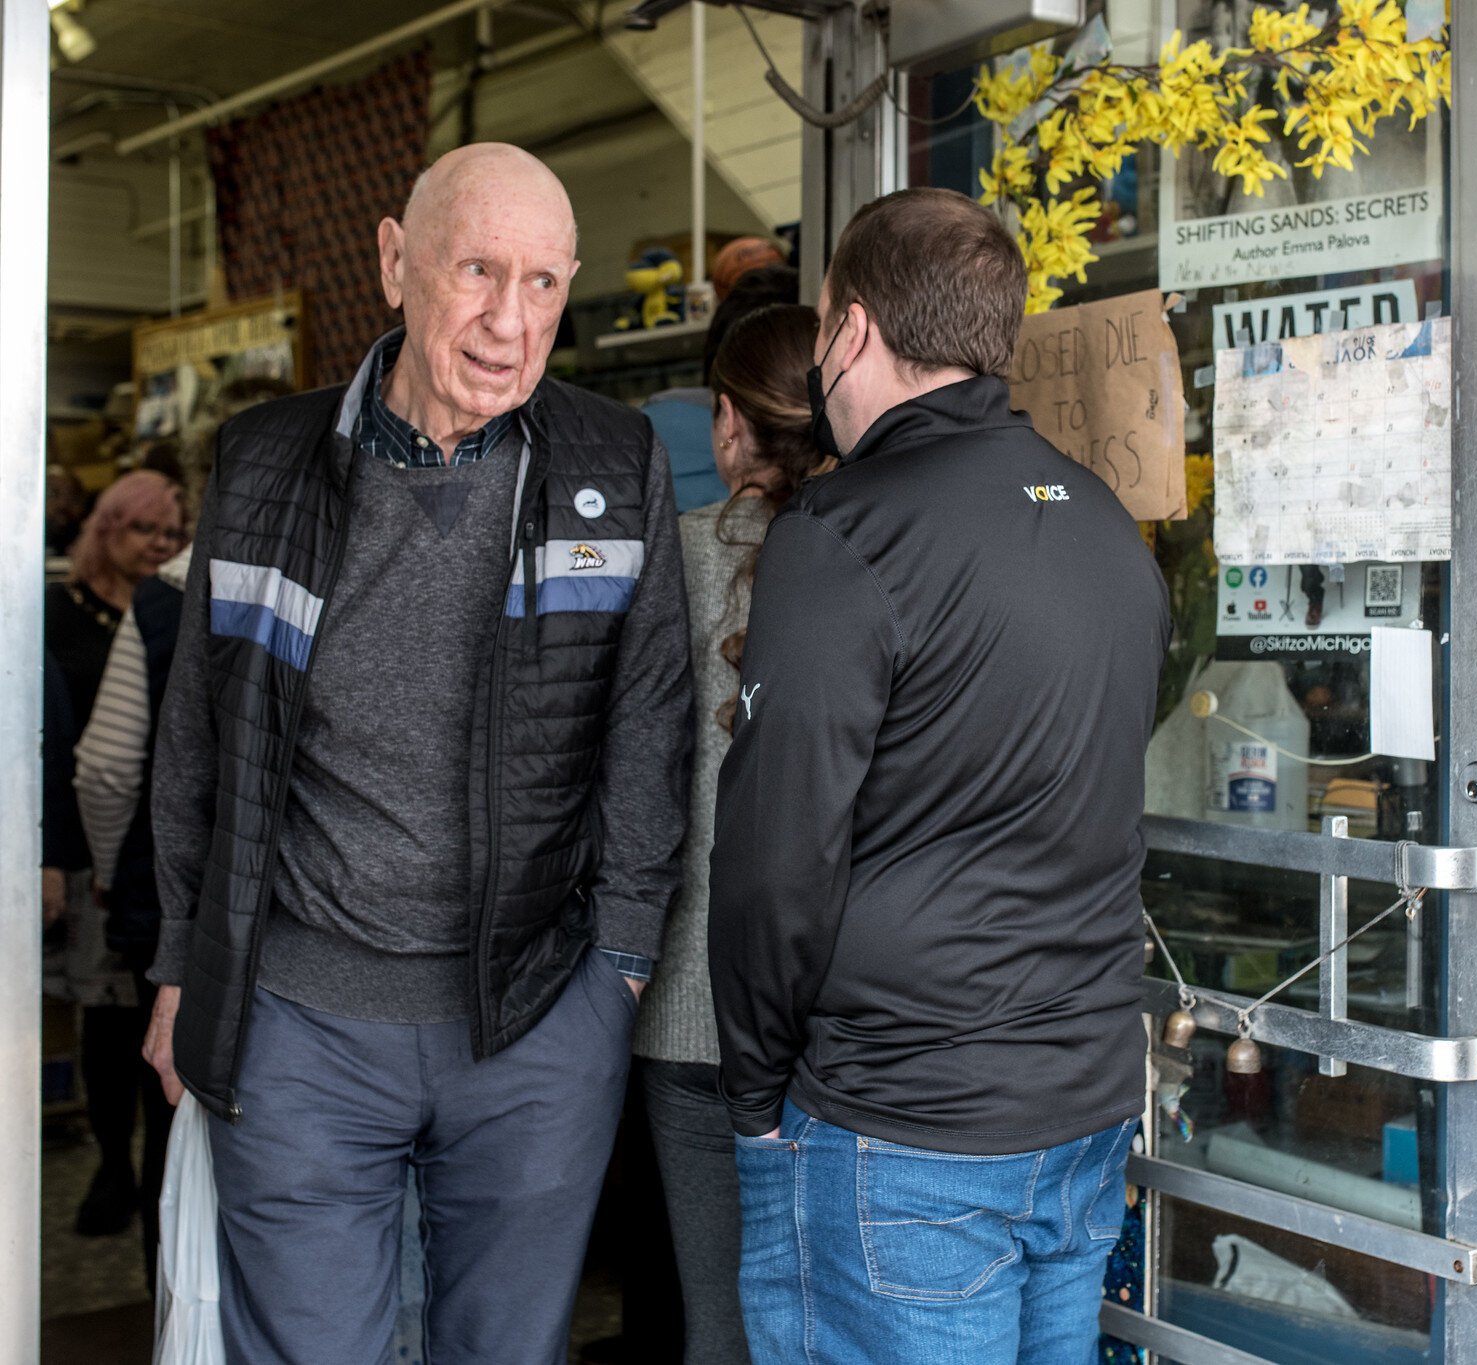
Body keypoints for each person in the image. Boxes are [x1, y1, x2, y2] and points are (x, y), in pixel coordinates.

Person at [140, 142, 690, 1365]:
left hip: (536, 1022)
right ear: (395, 263)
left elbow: (649, 723)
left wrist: (619, 970)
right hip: (298, 1025)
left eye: (543, 283)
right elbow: (198, 734)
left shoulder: (613, 460)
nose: (510, 321)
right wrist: (183, 964)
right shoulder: (262, 459)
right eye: (477, 270)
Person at [708, 187, 1171, 1362]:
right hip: (1081, 1105)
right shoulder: (1105, 524)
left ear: (851, 329)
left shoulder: (842, 533)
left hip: (901, 1129)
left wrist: (753, 1096)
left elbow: (772, 859)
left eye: (822, 323)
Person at [635, 303, 828, 1363]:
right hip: (834, 1010)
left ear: (726, 423)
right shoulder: (868, 551)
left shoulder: (668, 556)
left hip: (687, 1002)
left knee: (717, 1315)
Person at [73, 379, 291, 1282]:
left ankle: (176, 1302)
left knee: (173, 1103)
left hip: (176, 898)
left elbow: (107, 765)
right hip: (302, 910)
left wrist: (107, 868)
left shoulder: (165, 595)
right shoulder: (344, 571)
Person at [45, 469, 184, 1238]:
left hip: (138, 859)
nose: (159, 544)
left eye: (171, 532)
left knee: (155, 1034)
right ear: (108, 530)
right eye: (144, 529)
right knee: (106, 1016)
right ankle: (111, 1163)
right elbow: (90, 758)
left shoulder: (169, 605)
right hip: (93, 846)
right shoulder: (62, 614)